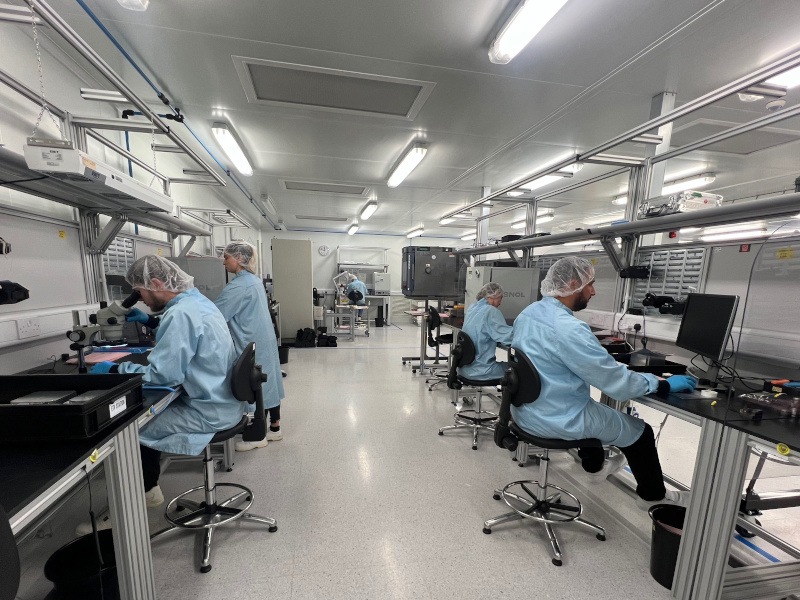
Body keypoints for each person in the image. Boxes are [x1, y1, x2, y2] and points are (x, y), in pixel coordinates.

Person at [510, 256, 697, 509]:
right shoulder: (568, 328)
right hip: (558, 417)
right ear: (573, 283)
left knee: (602, 415)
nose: (594, 291)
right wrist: (662, 384)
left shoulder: (528, 313)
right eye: (590, 285)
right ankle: (653, 497)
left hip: (526, 411)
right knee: (641, 433)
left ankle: (595, 467)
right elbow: (617, 385)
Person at [89, 255, 244, 511]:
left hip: (208, 412)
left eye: (140, 292)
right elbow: (188, 331)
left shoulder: (181, 313)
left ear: (157, 283)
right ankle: (148, 487)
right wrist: (150, 321)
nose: (140, 298)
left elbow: (163, 376)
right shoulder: (197, 302)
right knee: (143, 417)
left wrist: (116, 368)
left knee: (125, 430)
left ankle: (131, 506)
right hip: (224, 401)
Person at [215, 241, 285, 452]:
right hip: (264, 338)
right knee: (268, 381)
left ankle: (257, 435)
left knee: (255, 385)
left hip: (251, 340)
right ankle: (275, 427)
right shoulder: (253, 281)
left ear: (238, 259)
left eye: (226, 257)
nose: (224, 262)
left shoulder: (239, 285)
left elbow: (214, 315)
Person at [459, 282, 513, 381]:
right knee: (518, 370)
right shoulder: (491, 311)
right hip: (481, 370)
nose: (501, 302)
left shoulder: (472, 307)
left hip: (465, 368)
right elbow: (507, 338)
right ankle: (507, 396)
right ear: (493, 297)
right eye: (500, 298)